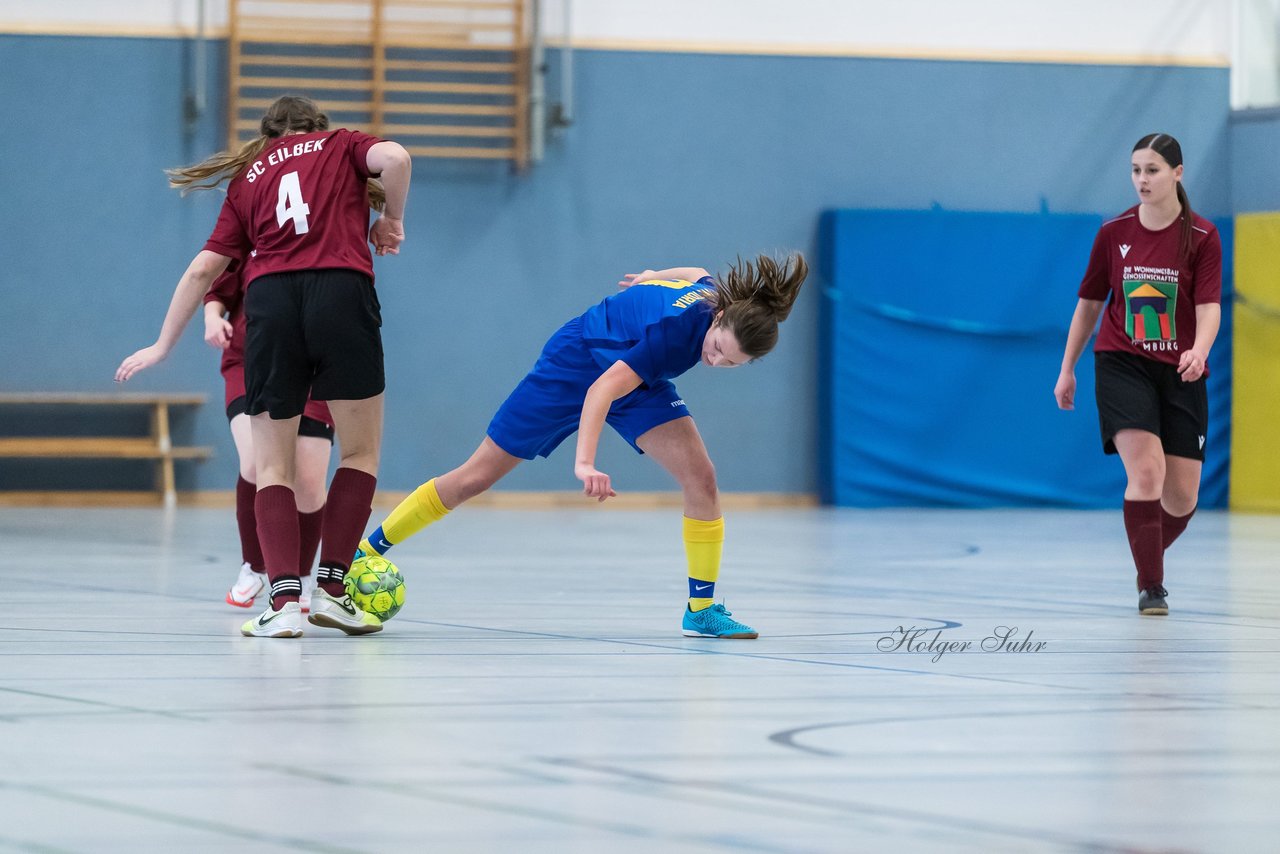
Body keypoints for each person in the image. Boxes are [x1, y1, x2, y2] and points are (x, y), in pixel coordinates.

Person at [355, 253, 808, 638]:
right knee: (476, 476)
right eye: (714, 349)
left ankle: (702, 610)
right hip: (577, 364)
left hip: (637, 375)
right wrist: (585, 463)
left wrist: (652, 279)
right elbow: (600, 391)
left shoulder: (713, 299)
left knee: (702, 477)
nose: (714, 361)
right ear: (718, 317)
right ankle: (368, 551)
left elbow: (695, 272)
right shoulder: (676, 334)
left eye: (730, 363)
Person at [115, 94, 413, 638]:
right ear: (315, 127)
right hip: (341, 292)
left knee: (271, 466)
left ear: (267, 134)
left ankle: (280, 604)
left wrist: (162, 345)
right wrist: (390, 221)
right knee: (361, 452)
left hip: (270, 304)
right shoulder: (342, 144)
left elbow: (205, 268)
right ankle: (332, 589)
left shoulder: (249, 177)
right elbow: (395, 158)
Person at [1054, 133, 1222, 616]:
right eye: (1135, 170)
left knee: (1183, 495)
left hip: (1181, 372)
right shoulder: (1114, 233)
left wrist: (1198, 349)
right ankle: (1152, 586)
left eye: (1152, 169)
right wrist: (1067, 369)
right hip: (1121, 363)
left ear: (1177, 173)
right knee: (1146, 472)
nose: (1142, 179)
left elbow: (1209, 308)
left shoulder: (1204, 237)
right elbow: (1088, 306)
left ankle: (1147, 554)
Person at [204, 262, 334, 612]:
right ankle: (254, 566)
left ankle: (303, 575)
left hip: (313, 365)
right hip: (253, 360)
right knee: (256, 460)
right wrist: (213, 316)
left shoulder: (327, 236)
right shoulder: (254, 228)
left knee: (308, 480)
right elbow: (216, 288)